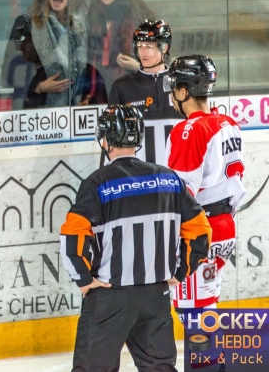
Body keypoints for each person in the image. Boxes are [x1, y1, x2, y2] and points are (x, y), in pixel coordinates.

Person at [60, 104, 211, 372]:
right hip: (156, 294)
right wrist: (180, 272)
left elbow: (72, 236)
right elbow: (200, 231)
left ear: (104, 139)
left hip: (109, 296)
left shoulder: (97, 183)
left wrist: (84, 280)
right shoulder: (169, 179)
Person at [164, 56, 246, 317]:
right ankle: (214, 357)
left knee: (194, 313)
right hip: (225, 227)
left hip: (200, 230)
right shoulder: (228, 123)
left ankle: (209, 359)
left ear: (183, 91)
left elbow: (181, 194)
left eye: (173, 86)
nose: (170, 93)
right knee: (207, 305)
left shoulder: (188, 130)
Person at [108, 20, 181, 164]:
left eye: (149, 46)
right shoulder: (122, 87)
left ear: (164, 48)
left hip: (177, 173)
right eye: (140, 46)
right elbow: (112, 136)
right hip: (138, 175)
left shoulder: (180, 83)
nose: (143, 52)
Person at [21, 0, 90, 107]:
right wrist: (39, 87)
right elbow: (10, 70)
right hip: (39, 110)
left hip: (79, 110)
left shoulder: (85, 24)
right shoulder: (29, 22)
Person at [11, 19, 106, 109]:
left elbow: (102, 105)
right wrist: (40, 87)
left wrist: (88, 102)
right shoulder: (44, 73)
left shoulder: (90, 73)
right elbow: (28, 107)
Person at [86, 0, 156, 84]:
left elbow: (159, 67)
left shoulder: (136, 15)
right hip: (100, 87)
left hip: (134, 86)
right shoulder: (93, 15)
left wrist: (138, 67)